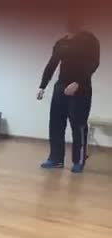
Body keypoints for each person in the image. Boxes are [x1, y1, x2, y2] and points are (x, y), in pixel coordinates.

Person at [37, 16, 100, 173]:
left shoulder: (89, 40)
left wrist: (78, 82)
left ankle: (78, 161)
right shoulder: (61, 42)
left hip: (81, 88)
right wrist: (42, 86)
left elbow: (94, 63)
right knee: (56, 123)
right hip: (61, 87)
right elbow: (52, 63)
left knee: (78, 125)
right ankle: (56, 159)